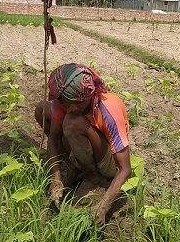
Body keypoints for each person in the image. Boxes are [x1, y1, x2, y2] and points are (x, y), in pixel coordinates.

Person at [35, 63, 131, 225]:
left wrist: (103, 208)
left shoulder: (108, 108)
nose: (70, 107)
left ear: (87, 96)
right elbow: (53, 138)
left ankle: (92, 177)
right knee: (42, 109)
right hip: (84, 146)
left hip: (108, 161)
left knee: (73, 122)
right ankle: (75, 170)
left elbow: (125, 169)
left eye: (76, 103)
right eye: (65, 103)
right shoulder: (65, 101)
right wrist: (56, 178)